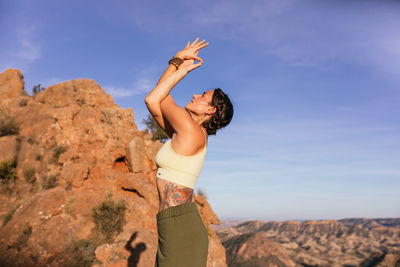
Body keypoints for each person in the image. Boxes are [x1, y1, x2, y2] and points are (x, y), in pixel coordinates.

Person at [145, 37, 234, 267]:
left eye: (202, 96)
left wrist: (179, 66)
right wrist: (177, 62)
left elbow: (157, 96)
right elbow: (154, 101)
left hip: (180, 226)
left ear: (210, 109)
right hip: (173, 223)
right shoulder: (185, 132)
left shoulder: (192, 131)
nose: (195, 95)